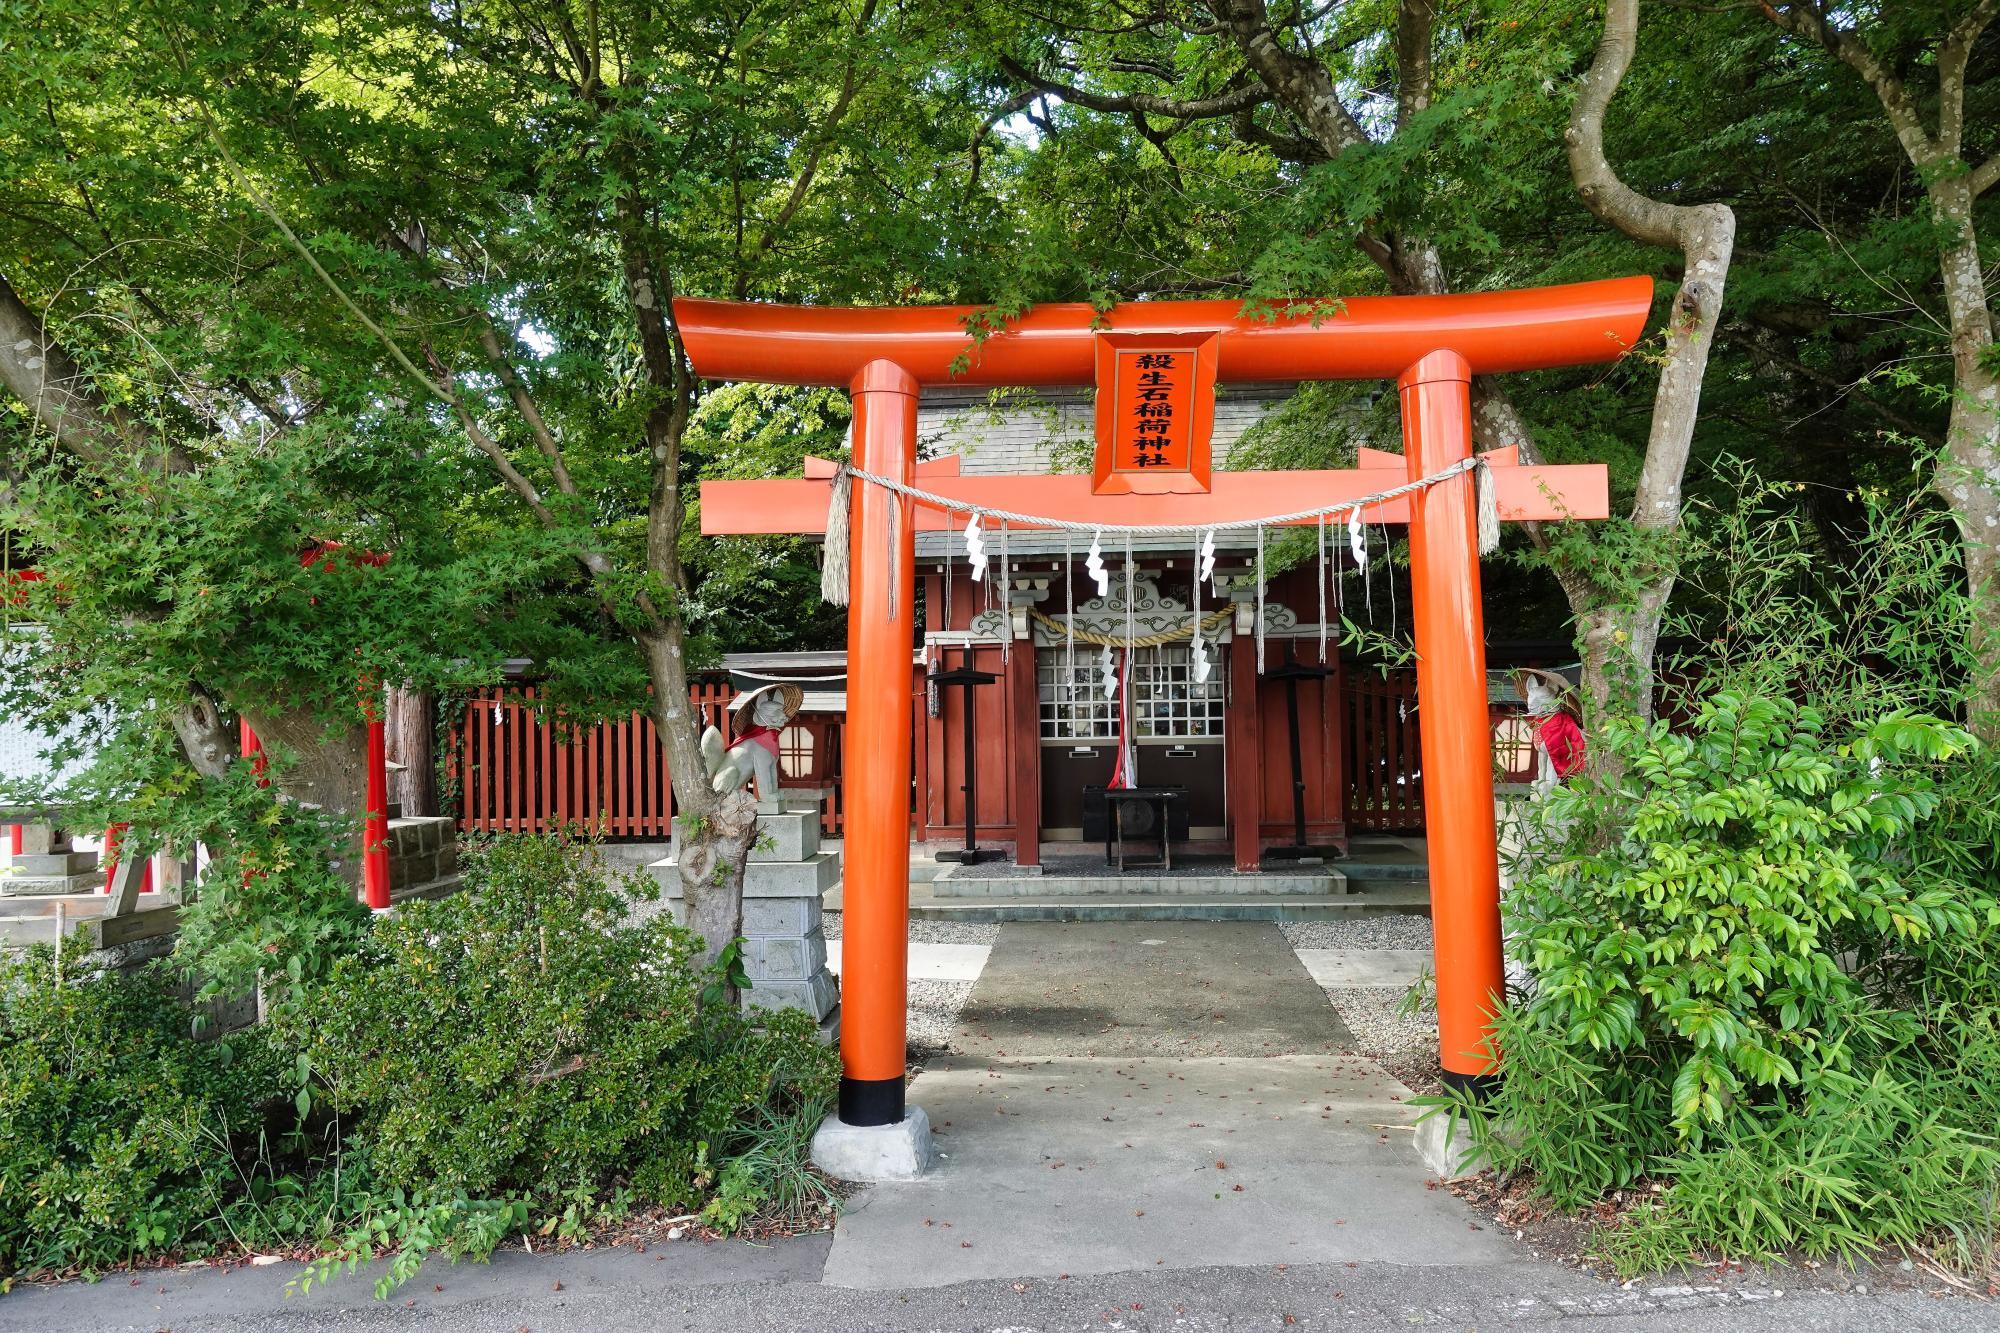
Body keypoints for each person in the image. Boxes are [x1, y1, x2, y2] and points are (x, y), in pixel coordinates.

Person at [1514, 667, 1585, 796]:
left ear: (1554, 692)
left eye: (1544, 697)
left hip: (1569, 755)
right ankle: (1542, 778)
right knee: (1543, 753)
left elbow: (1554, 753)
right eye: (1531, 696)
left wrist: (1548, 781)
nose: (1532, 702)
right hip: (1543, 723)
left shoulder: (1559, 722)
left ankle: (1550, 781)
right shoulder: (1539, 722)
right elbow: (1543, 751)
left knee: (1553, 751)